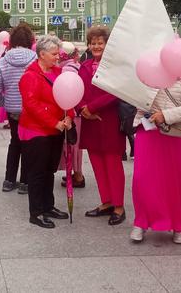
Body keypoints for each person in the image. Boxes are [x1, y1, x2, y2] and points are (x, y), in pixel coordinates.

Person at [130, 78, 181, 244]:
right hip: (148, 131)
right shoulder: (146, 70)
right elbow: (133, 98)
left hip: (176, 133)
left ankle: (179, 225)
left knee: (176, 182)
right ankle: (141, 222)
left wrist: (166, 115)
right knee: (142, 179)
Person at [18, 35, 73, 229]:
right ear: (42, 54)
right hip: (35, 131)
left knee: (49, 170)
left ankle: (48, 206)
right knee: (37, 173)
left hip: (55, 129)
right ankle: (36, 212)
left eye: (58, 53)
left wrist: (69, 116)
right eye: (54, 54)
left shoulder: (58, 73)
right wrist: (54, 122)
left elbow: (68, 95)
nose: (58, 57)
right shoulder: (30, 76)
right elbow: (31, 105)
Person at [78, 27, 127, 226]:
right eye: (93, 43)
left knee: (113, 163)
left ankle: (119, 206)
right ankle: (106, 201)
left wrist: (91, 107)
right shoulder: (84, 65)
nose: (96, 46)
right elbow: (76, 89)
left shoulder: (115, 66)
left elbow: (116, 92)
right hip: (90, 122)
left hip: (109, 120)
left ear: (107, 44)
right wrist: (82, 108)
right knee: (97, 162)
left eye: (100, 42)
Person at [0, 23, 37, 194]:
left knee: (14, 142)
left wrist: (4, 102)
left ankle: (9, 180)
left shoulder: (4, 60)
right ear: (30, 40)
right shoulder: (35, 58)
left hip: (12, 109)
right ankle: (25, 182)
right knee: (28, 144)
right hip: (30, 109)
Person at [58, 41, 86, 189]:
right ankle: (75, 173)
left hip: (71, 112)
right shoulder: (76, 66)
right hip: (77, 112)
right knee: (75, 145)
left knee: (71, 144)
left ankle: (77, 175)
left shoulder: (66, 70)